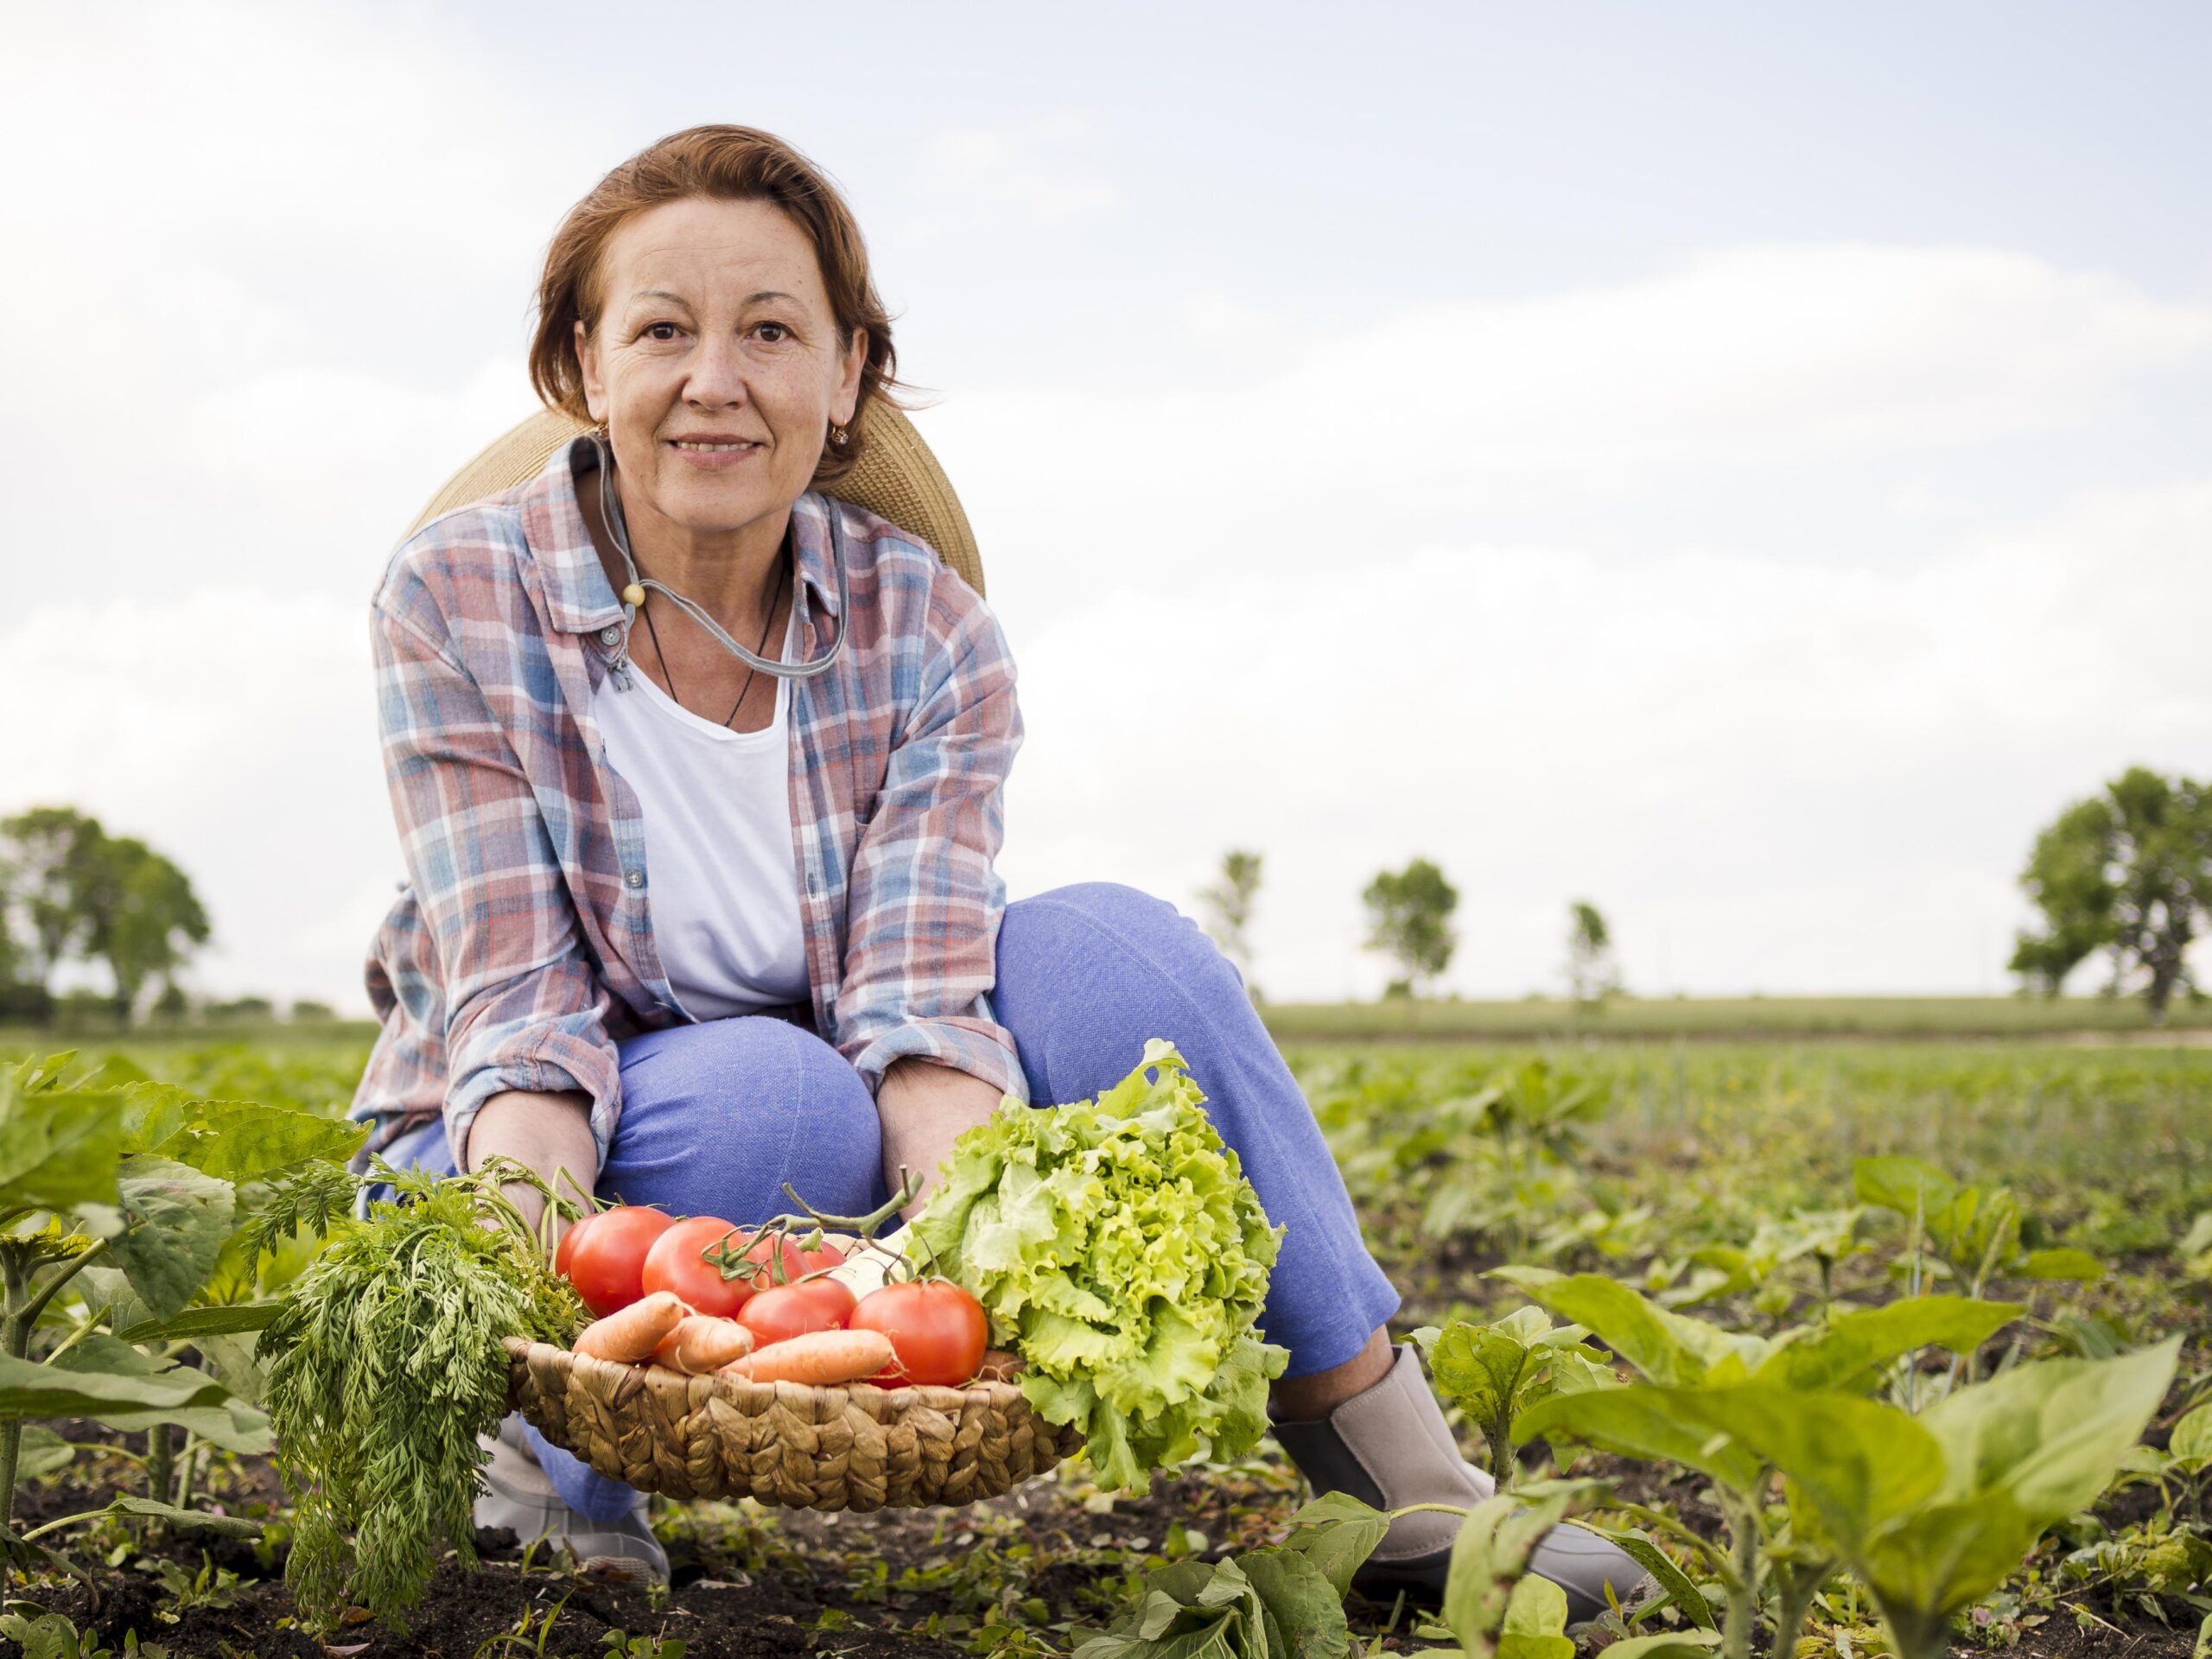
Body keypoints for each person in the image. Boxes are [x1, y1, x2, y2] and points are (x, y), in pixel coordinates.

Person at [350, 124, 1642, 1618]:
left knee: (1119, 954)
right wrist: (518, 1328)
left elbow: (919, 996)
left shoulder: (928, 631)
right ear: (583, 369)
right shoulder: (454, 599)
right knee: (779, 1098)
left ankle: (1404, 1482)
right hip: (509, 1156)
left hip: (825, 1145)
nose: (717, 379)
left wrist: (973, 1260)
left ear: (845, 381)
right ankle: (546, 1472)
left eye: (772, 331)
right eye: (662, 330)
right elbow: (518, 1014)